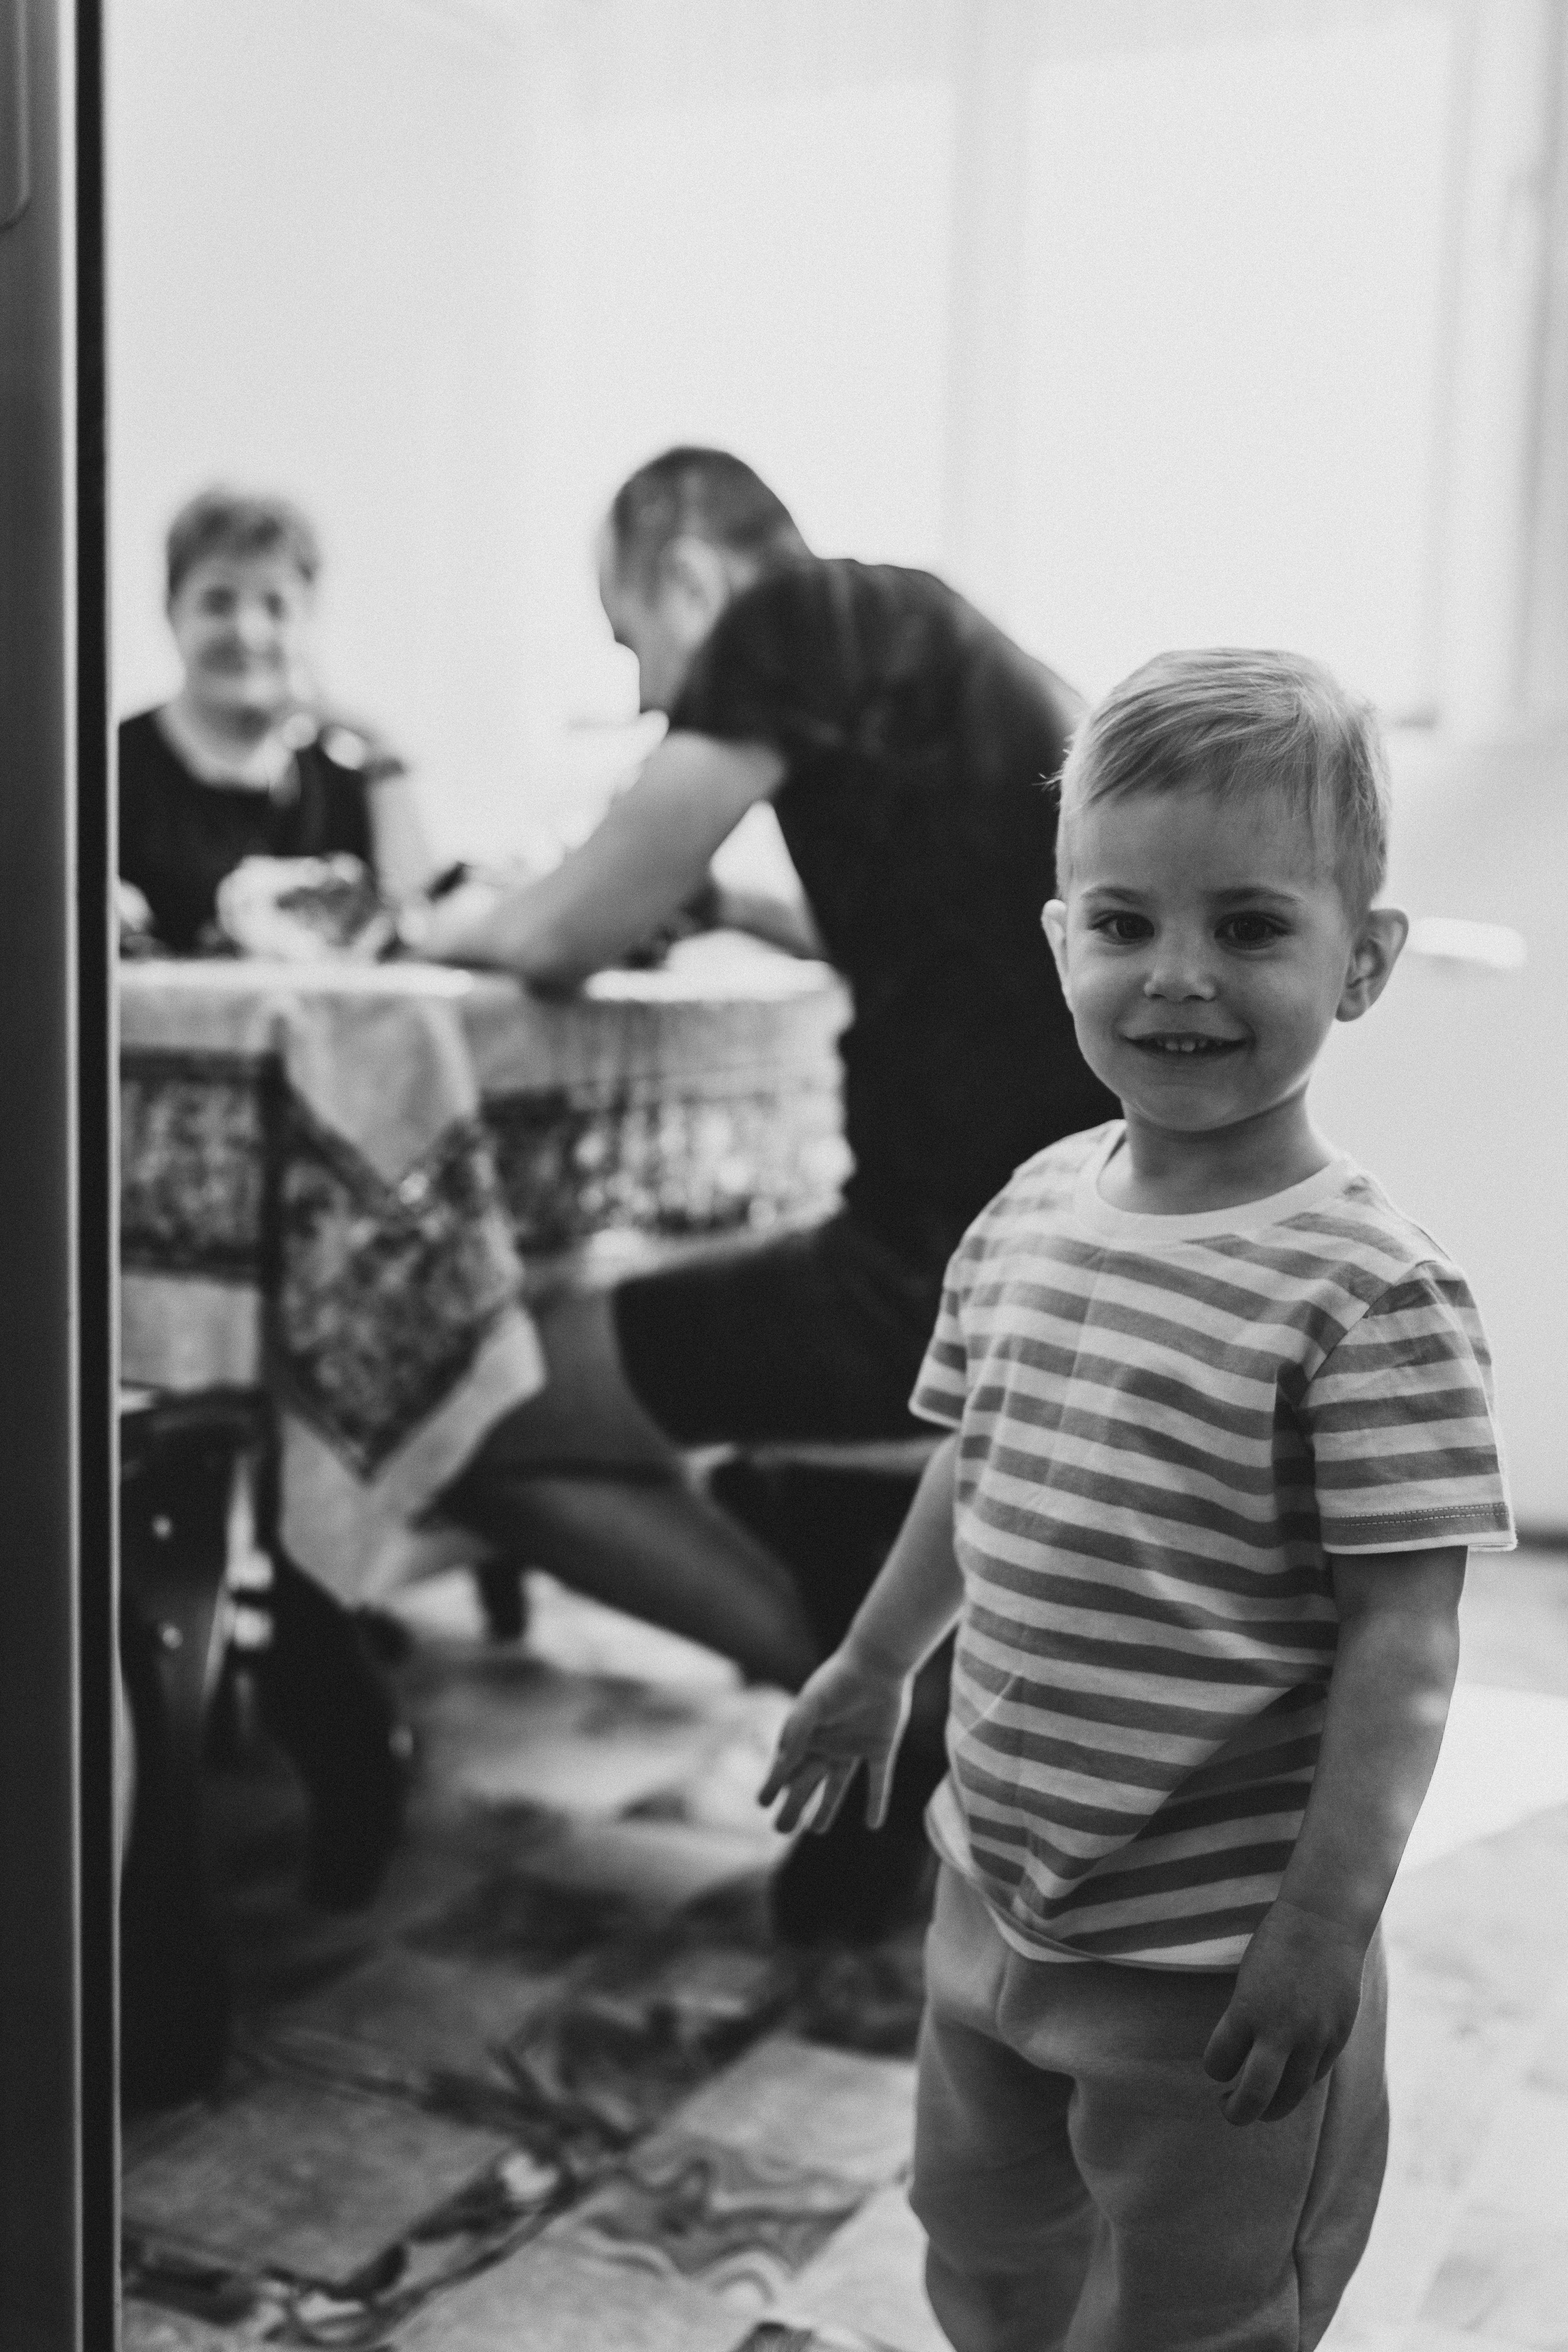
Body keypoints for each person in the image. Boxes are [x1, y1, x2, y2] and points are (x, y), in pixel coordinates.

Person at [760, 647, 1515, 2350]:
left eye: (1251, 927)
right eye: (1124, 924)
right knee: (988, 2252)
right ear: (1061, 943)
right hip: (997, 1893)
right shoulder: (1028, 1212)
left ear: (1364, 958)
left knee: (1197, 2307)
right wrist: (876, 1668)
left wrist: (1326, 1924)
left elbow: (1406, 1638)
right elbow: (977, 1462)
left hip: (1216, 1964)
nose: (1179, 978)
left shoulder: (1371, 1289)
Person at [424, 446, 1117, 1940]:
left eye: (631, 640)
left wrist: (459, 915)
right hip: (1034, 1254)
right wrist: (737, 900)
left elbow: (567, 926)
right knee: (581, 1317)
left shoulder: (783, 624)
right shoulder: (925, 643)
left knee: (457, 1397)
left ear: (688, 570)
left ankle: (874, 1683)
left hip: (926, 1281)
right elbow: (929, 907)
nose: (645, 693)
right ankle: (871, 1631)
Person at [118, 488, 435, 952]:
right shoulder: (107, 772)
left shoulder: (342, 782)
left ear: (309, 621)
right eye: (218, 602)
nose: (249, 631)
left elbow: (418, 926)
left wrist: (382, 751)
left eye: (276, 605)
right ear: (171, 611)